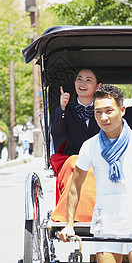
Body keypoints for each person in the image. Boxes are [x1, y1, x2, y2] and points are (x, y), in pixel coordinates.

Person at [58, 84, 132, 263]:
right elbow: (75, 186)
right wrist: (69, 224)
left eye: (109, 110)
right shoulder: (90, 146)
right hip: (105, 224)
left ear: (122, 110)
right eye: (98, 112)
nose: (103, 117)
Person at [51, 68, 102, 201]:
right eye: (79, 79)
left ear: (98, 86)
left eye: (88, 80)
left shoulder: (103, 109)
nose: (82, 83)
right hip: (74, 157)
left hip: (100, 156)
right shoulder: (67, 109)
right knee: (73, 164)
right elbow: (57, 133)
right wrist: (62, 107)